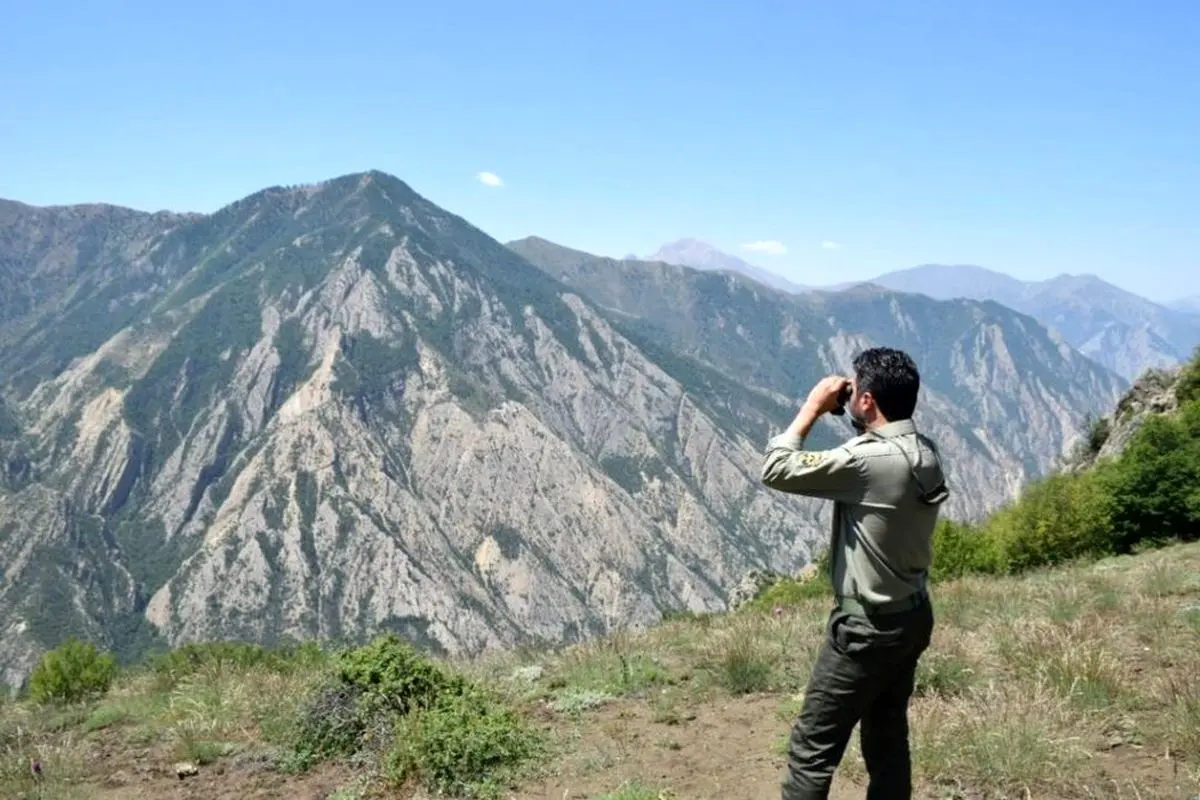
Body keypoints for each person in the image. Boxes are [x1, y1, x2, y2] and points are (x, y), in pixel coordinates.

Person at [760, 347, 949, 800]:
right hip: (911, 617)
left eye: (857, 391)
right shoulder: (925, 452)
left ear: (866, 401)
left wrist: (813, 405)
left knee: (812, 749)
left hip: (866, 629)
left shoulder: (868, 461)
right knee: (887, 738)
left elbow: (776, 468)